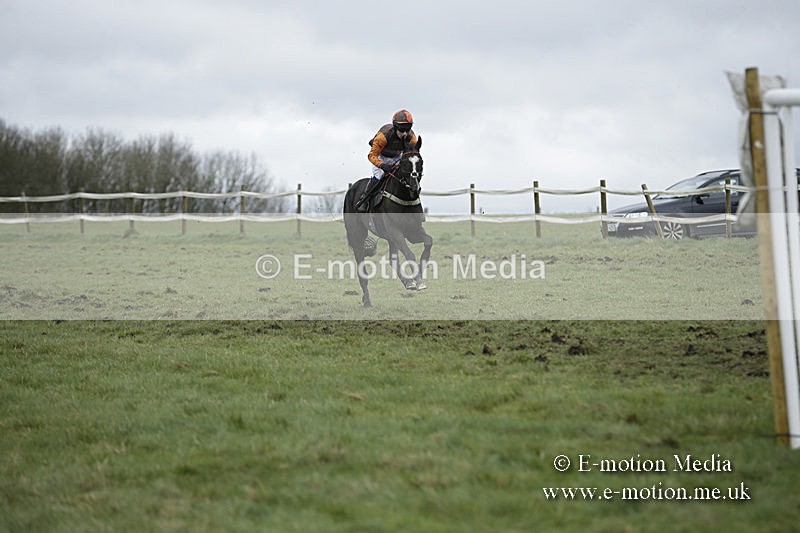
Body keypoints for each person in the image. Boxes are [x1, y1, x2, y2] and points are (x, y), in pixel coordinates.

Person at [355, 109, 418, 212]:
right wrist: (383, 165)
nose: (405, 134)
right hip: (381, 157)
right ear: (396, 127)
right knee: (379, 176)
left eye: (407, 130)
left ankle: (415, 204)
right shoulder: (383, 137)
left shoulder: (411, 137)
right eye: (402, 130)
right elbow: (371, 155)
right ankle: (364, 200)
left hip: (398, 157)